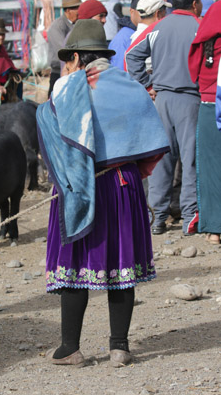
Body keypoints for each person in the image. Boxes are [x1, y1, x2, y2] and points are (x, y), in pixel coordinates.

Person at [36, 19, 170, 367]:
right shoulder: (131, 85)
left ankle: (70, 348)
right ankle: (120, 347)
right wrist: (129, 169)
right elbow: (149, 142)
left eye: (69, 58)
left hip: (80, 185)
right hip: (123, 184)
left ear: (78, 56)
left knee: (76, 261)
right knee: (121, 262)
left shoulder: (67, 88)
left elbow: (56, 139)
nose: (68, 65)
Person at [125, 0, 202, 236]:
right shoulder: (199, 27)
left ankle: (158, 217)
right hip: (191, 99)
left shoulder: (157, 28)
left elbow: (131, 56)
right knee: (189, 160)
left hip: (162, 100)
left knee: (162, 160)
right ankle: (190, 215)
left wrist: (147, 84)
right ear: (194, 5)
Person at [189, 0, 221, 245]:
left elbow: (195, 58)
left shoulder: (215, 11)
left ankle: (214, 228)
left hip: (211, 99)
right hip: (212, 98)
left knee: (211, 166)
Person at [47, 0, 82, 97]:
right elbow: (63, 51)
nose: (79, 11)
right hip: (59, 72)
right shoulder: (57, 27)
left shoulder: (78, 24)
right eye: (77, 8)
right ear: (68, 10)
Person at [109, 0, 144, 71]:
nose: (147, 15)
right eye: (142, 11)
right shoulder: (123, 38)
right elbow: (120, 74)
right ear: (132, 12)